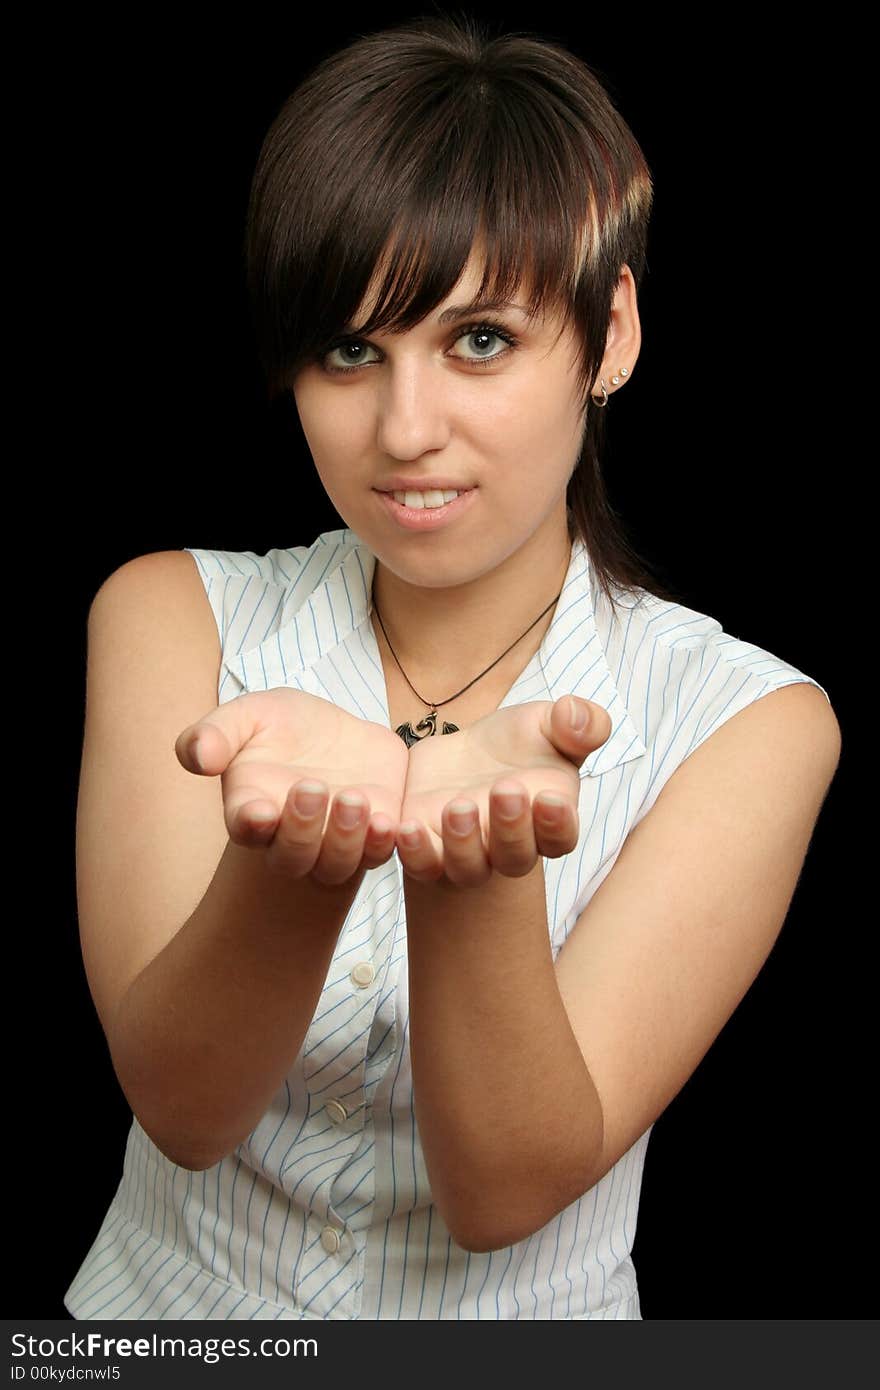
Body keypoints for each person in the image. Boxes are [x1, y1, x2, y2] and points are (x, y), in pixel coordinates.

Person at [64, 13, 841, 1321]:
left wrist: (471, 864)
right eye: (350, 350)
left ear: (611, 337)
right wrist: (294, 854)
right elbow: (183, 1108)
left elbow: (506, 1187)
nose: (405, 431)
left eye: (479, 339)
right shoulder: (170, 616)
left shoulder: (749, 723)